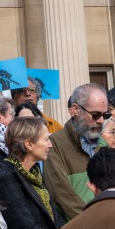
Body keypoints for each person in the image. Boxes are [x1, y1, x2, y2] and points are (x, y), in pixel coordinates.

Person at [44, 83, 109, 220]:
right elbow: (61, 193)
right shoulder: (55, 144)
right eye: (95, 115)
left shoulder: (104, 144)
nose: (101, 121)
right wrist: (90, 223)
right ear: (75, 110)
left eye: (105, 115)